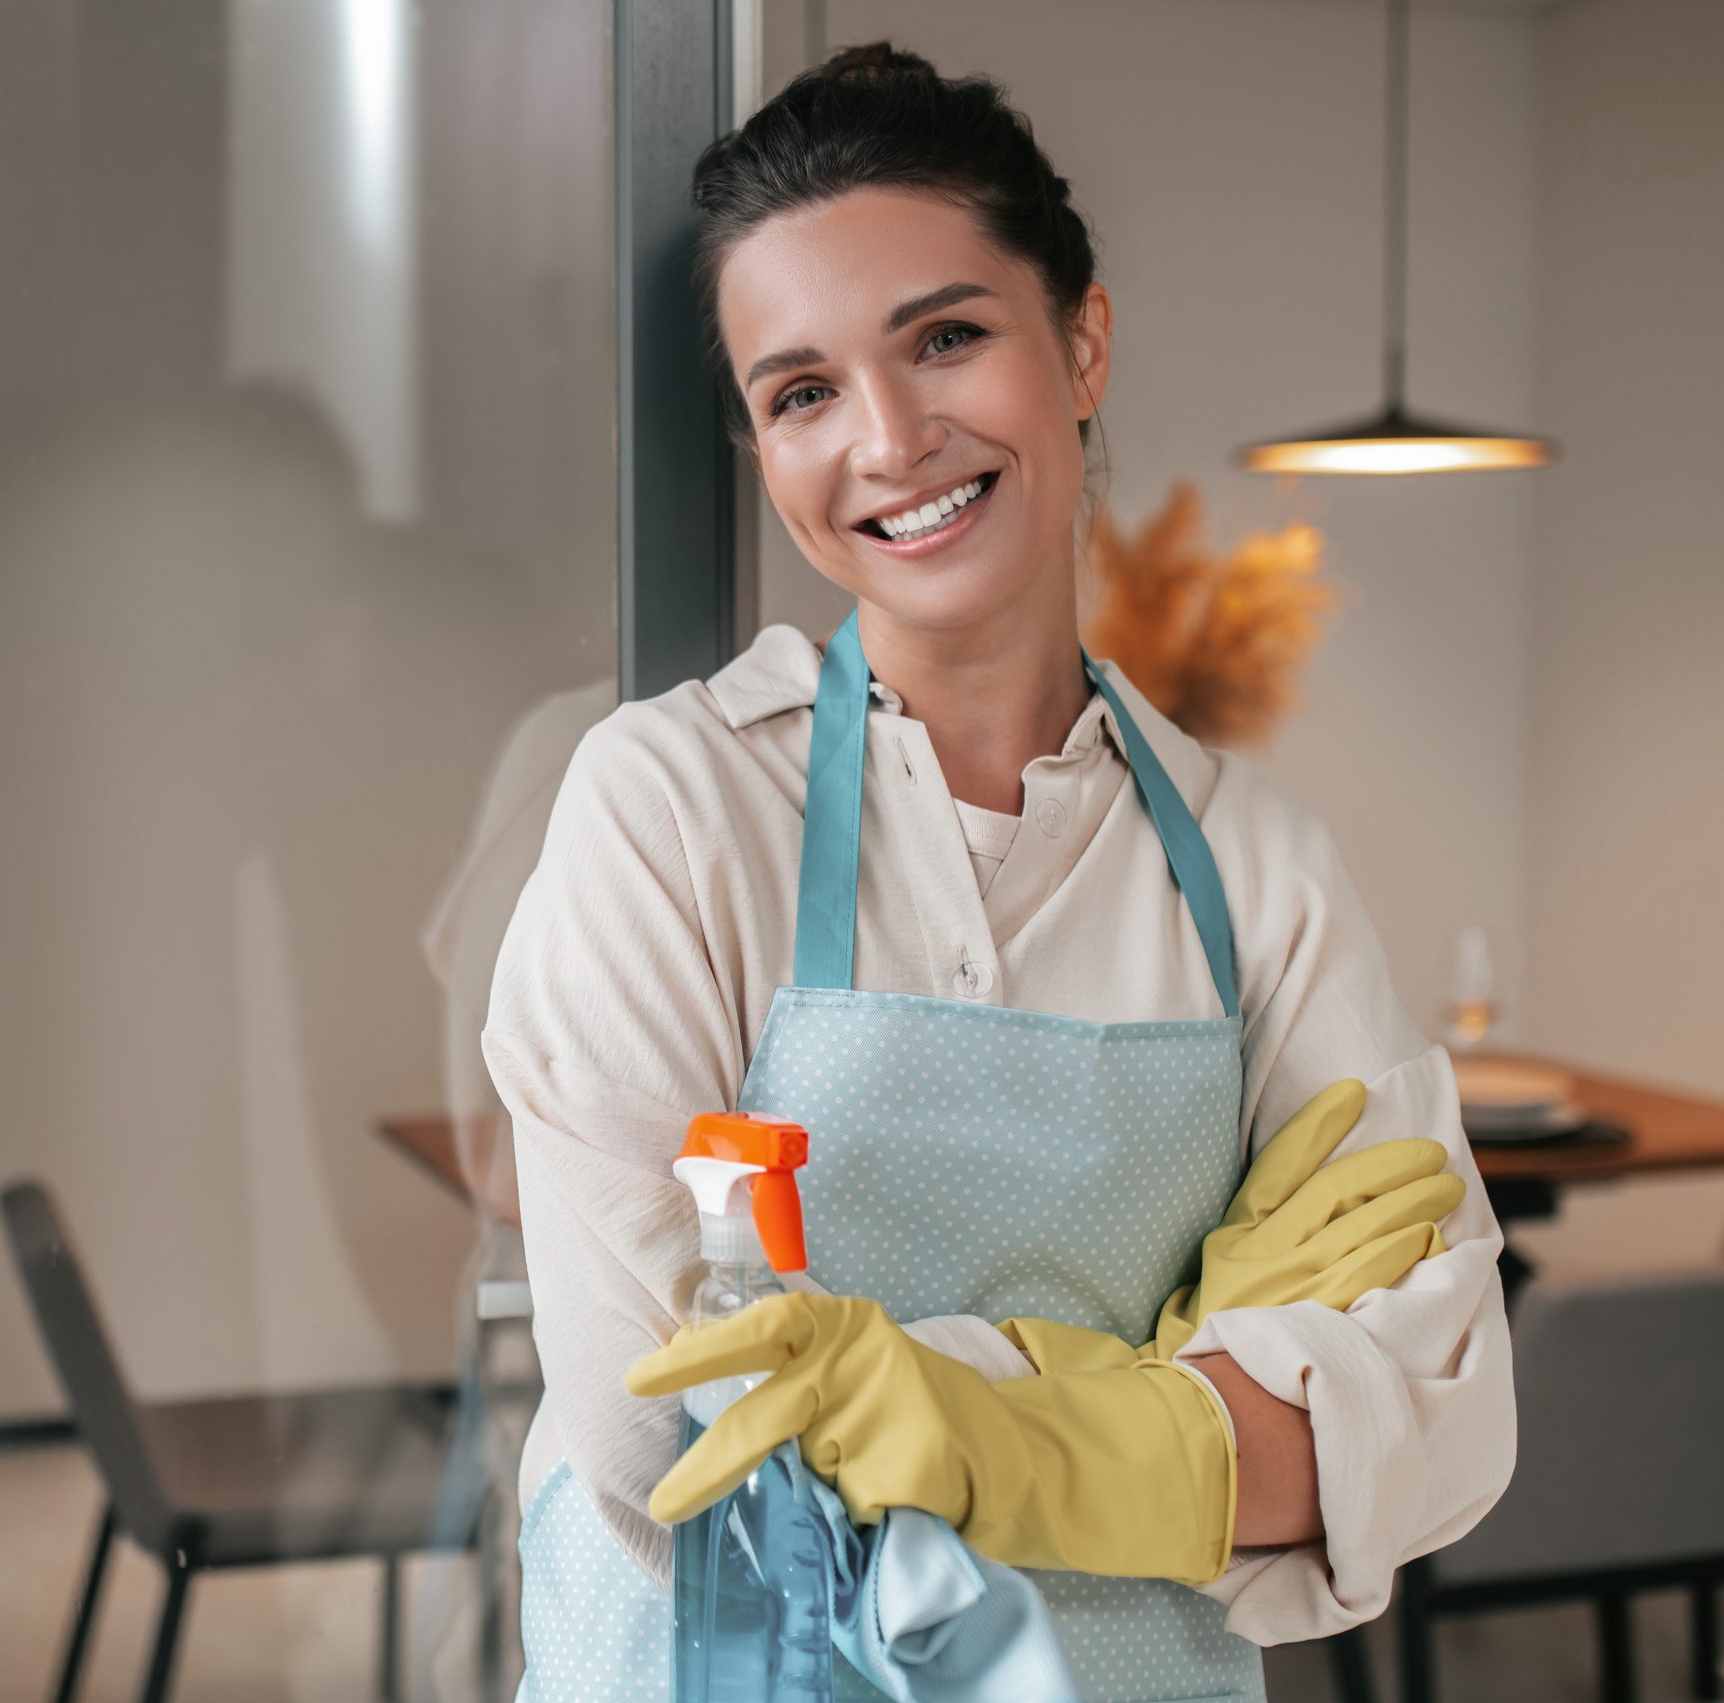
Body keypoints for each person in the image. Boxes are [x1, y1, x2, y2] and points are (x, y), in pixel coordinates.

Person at [482, 42, 1515, 1703]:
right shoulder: (668, 813)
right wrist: (1188, 1409)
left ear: (1082, 340)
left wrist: (955, 1414)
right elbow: (682, 1441)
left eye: (947, 337)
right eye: (801, 391)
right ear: (760, 446)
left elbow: (1439, 1417)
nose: (888, 440)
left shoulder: (1256, 866)